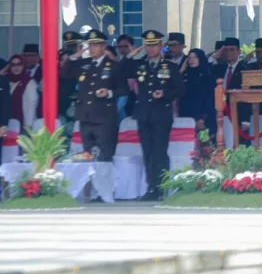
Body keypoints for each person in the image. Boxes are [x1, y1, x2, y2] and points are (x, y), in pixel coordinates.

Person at [121, 31, 185, 200]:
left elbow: (180, 89)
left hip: (161, 115)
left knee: (160, 152)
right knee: (147, 152)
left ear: (161, 46)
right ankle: (151, 188)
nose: (150, 48)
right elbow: (120, 70)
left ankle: (162, 187)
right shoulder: (139, 65)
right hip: (143, 115)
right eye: (148, 45)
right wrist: (131, 55)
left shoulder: (170, 66)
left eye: (154, 44)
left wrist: (164, 94)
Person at [60, 30, 125, 161]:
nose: (92, 48)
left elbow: (123, 89)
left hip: (104, 117)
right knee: (86, 156)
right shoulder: (83, 64)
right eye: (90, 45)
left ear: (103, 46)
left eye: (95, 45)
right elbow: (64, 73)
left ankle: (105, 181)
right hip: (85, 116)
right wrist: (73, 57)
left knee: (104, 156)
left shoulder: (113, 66)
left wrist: (109, 93)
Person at [211, 37, 253, 144]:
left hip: (238, 114)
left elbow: (248, 96)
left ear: (238, 52)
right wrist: (214, 57)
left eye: (232, 49)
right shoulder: (218, 68)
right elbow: (205, 71)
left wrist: (246, 119)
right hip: (220, 114)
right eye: (226, 50)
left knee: (238, 144)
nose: (228, 53)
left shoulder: (245, 71)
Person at [179, 48, 216, 133]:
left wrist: (202, 117)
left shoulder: (208, 76)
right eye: (190, 57)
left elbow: (209, 99)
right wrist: (181, 70)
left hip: (203, 116)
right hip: (185, 115)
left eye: (195, 57)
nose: (192, 60)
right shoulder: (185, 75)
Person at [4, 55, 38, 128]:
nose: (16, 67)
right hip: (8, 123)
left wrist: (28, 125)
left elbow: (32, 105)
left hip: (25, 124)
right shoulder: (6, 81)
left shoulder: (29, 82)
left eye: (19, 64)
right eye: (13, 65)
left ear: (23, 66)